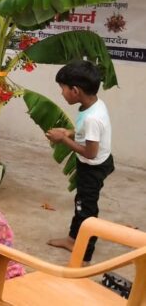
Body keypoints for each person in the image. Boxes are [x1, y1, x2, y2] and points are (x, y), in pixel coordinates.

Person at [45, 60, 114, 262]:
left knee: (86, 210)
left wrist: (63, 139)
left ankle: (85, 253)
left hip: (93, 167)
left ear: (75, 91)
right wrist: (69, 132)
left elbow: (90, 153)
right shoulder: (93, 105)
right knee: (80, 204)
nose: (61, 92)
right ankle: (72, 239)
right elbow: (85, 132)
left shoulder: (93, 118)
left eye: (62, 88)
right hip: (97, 162)